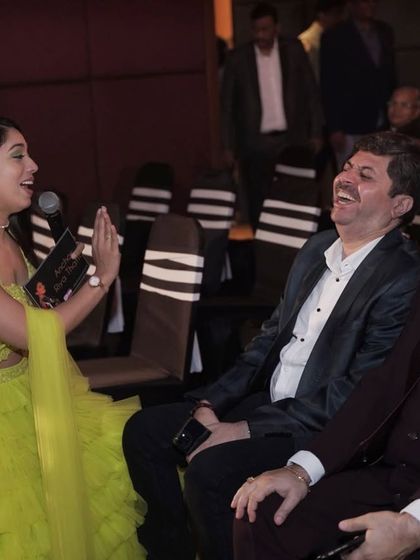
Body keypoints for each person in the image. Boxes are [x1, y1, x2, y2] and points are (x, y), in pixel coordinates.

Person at [123, 131, 420, 560]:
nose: (345, 179)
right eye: (347, 168)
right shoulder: (316, 247)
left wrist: (243, 429)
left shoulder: (403, 276)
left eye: (366, 175)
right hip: (269, 403)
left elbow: (360, 392)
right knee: (146, 432)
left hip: (320, 424)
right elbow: (266, 341)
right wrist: (211, 404)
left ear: (400, 206)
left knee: (210, 471)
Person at [0, 117, 145, 559]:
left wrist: (64, 280)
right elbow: (34, 332)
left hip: (33, 390)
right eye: (18, 156)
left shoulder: (8, 237)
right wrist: (101, 279)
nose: (33, 166)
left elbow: (37, 313)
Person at [232, 283, 420, 560]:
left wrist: (414, 524)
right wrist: (301, 471)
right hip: (396, 475)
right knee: (264, 510)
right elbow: (386, 385)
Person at [220, 1, 323, 229]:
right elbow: (227, 106)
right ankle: (262, 244)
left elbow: (311, 92)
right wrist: (228, 146)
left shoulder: (293, 50)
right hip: (255, 143)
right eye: (257, 30)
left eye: (266, 29)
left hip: (292, 138)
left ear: (277, 28)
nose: (261, 35)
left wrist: (316, 131)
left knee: (295, 198)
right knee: (259, 200)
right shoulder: (239, 59)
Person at [320, 0, 396, 171]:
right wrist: (335, 127)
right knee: (351, 174)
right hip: (350, 123)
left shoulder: (385, 31)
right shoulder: (335, 36)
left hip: (382, 120)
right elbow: (329, 85)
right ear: (351, 4)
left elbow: (390, 75)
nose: (370, 5)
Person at [298, 0, 345, 82]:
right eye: (335, 14)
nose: (339, 19)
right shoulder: (307, 40)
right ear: (322, 15)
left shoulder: (336, 37)